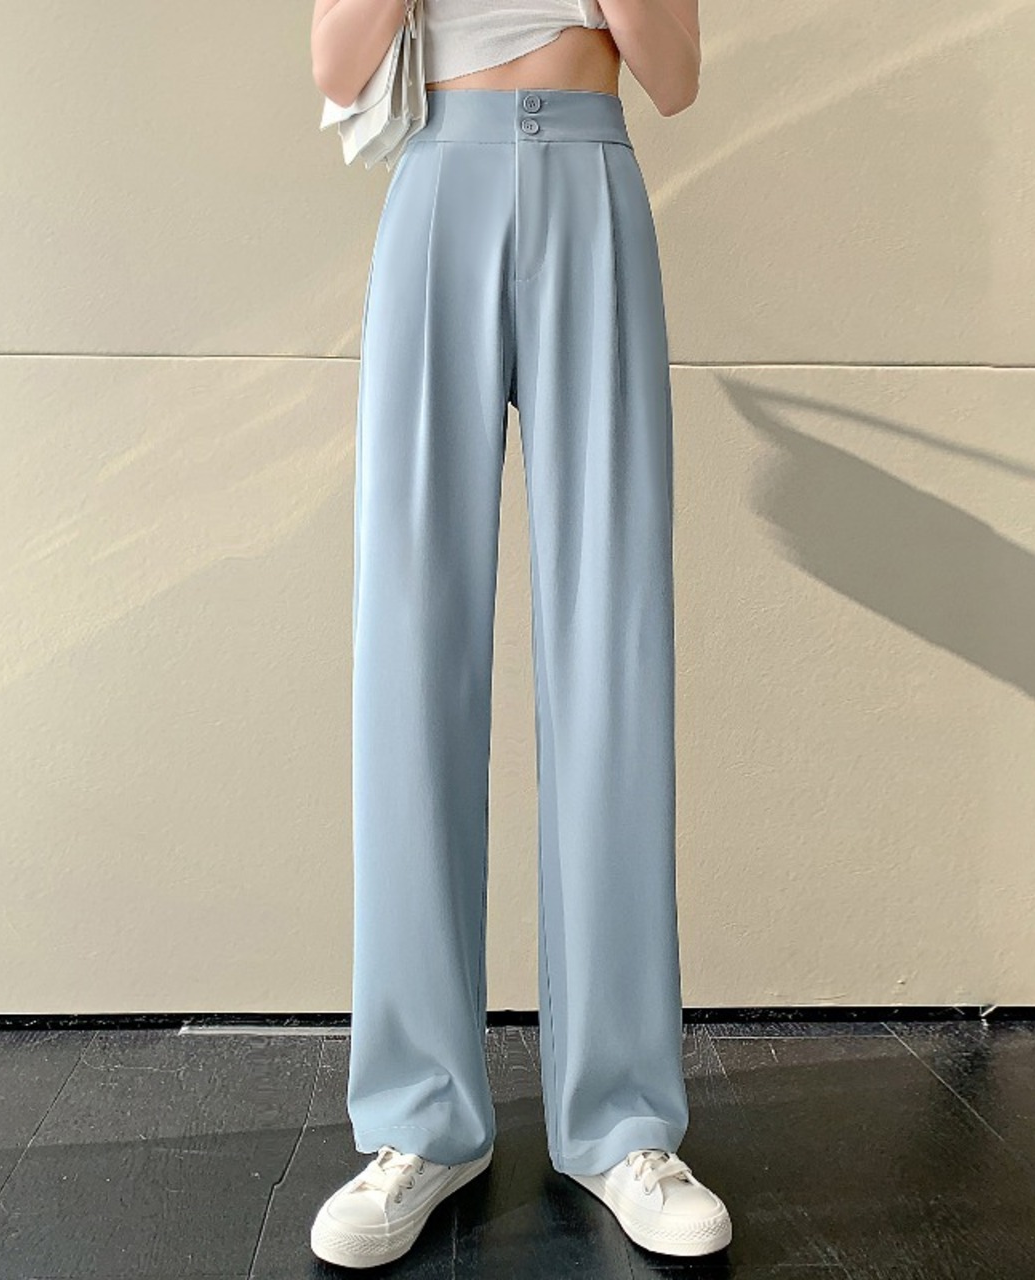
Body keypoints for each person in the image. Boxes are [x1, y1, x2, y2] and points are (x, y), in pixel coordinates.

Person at [309, 0, 730, 1266]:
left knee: (611, 649)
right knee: (409, 648)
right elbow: (337, 61)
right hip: (439, 182)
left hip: (592, 176)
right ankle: (419, 1118)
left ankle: (620, 1118)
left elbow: (673, 75)